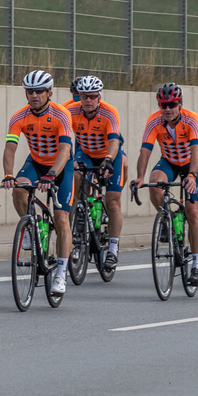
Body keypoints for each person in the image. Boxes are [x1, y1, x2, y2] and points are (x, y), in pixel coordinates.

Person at [1, 70, 75, 296]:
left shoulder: (61, 114)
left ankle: (61, 273)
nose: (34, 95)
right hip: (35, 162)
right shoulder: (19, 116)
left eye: (39, 91)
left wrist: (51, 174)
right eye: (29, 91)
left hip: (60, 166)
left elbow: (65, 149)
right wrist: (8, 174)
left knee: (62, 219)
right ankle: (30, 229)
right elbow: (10, 148)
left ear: (49, 92)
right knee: (19, 190)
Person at [133, 83, 198, 286]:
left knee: (193, 212)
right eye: (163, 105)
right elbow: (145, 151)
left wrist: (191, 175)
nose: (167, 109)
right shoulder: (154, 120)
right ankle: (167, 218)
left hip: (191, 164)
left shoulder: (192, 119)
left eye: (171, 104)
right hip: (170, 161)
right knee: (155, 182)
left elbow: (197, 151)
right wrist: (140, 177)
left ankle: (197, 264)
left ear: (180, 104)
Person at [66, 75, 125, 271]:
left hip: (109, 153)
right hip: (86, 152)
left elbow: (115, 141)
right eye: (84, 97)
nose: (88, 100)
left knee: (113, 201)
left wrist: (108, 161)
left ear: (99, 96)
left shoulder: (109, 112)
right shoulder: (69, 110)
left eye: (92, 96)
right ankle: (78, 217)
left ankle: (113, 250)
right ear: (79, 97)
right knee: (74, 175)